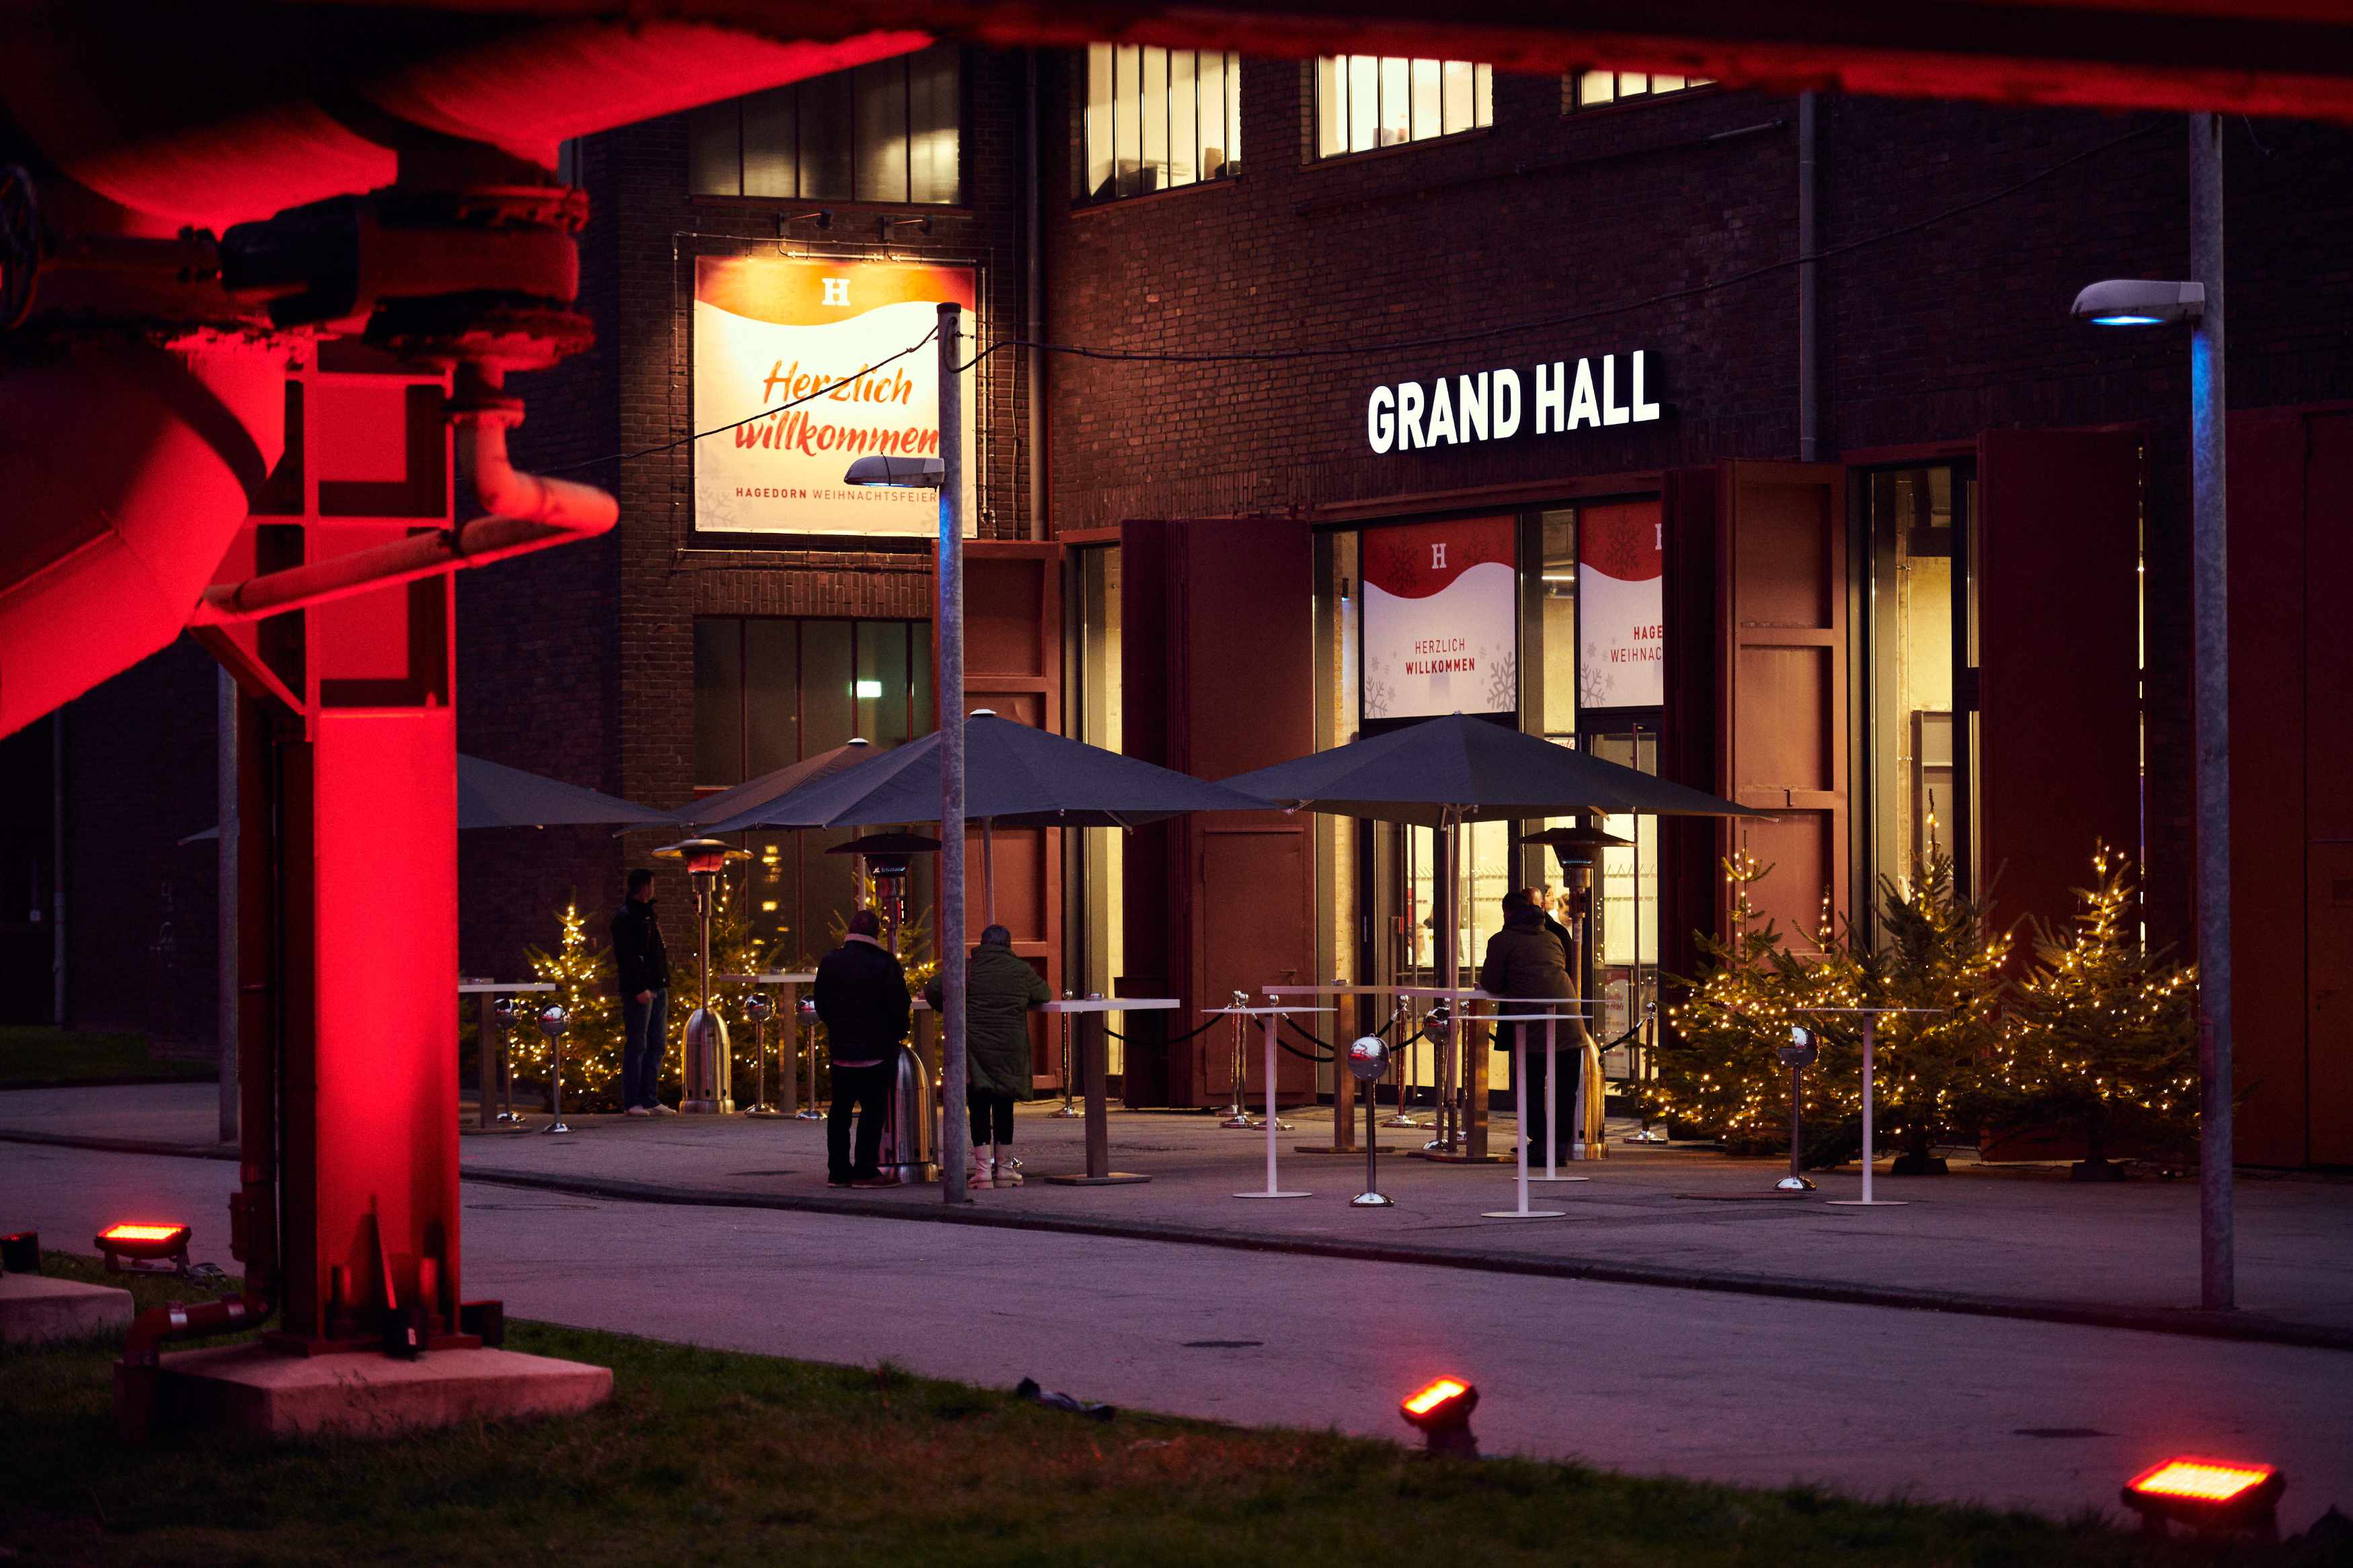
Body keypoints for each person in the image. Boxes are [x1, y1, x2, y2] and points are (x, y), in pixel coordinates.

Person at [926, 924, 1049, 1189]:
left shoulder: (967, 968)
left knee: (979, 1107)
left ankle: (983, 1172)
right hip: (1010, 1050)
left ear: (982, 943)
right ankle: (1004, 1170)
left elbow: (933, 989)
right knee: (1005, 1107)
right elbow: (1044, 994)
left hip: (973, 1050)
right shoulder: (1021, 971)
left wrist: (951, 1009)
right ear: (1008, 945)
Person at [813, 907, 912, 1188]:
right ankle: (866, 1169)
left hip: (842, 1051)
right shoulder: (885, 963)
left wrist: (837, 1029)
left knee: (840, 1111)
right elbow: (898, 1005)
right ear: (876, 933)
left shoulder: (831, 961)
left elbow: (822, 1004)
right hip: (876, 1052)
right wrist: (896, 1035)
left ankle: (838, 1170)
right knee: (873, 1111)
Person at [1479, 889, 1574, 1163]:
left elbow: (1493, 983)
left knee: (1529, 1084)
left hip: (1531, 1026)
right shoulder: (1554, 937)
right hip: (1568, 1021)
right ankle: (1558, 1148)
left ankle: (1541, 1143)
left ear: (1508, 915)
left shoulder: (1502, 940)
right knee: (1564, 1088)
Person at [611, 868, 674, 1117]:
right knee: (638, 1044)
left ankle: (649, 1097)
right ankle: (632, 1101)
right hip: (642, 989)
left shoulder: (648, 914)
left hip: (657, 986)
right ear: (646, 887)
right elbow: (626, 958)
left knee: (657, 1043)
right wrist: (638, 988)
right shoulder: (627, 917)